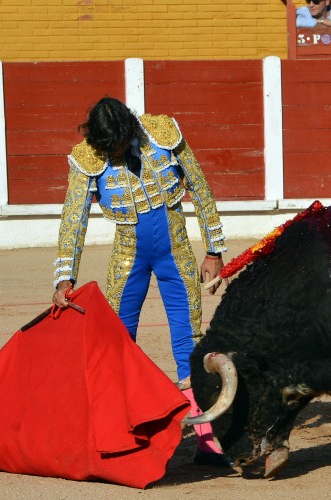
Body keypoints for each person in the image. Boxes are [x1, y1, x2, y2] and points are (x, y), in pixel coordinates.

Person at [52, 97, 230, 467]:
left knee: (188, 340)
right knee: (116, 344)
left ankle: (205, 439)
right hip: (127, 256)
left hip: (175, 250)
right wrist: (65, 276)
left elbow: (198, 185)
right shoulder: (88, 156)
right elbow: (73, 218)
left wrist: (214, 250)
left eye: (118, 144)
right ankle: (119, 435)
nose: (114, 152)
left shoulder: (161, 133)